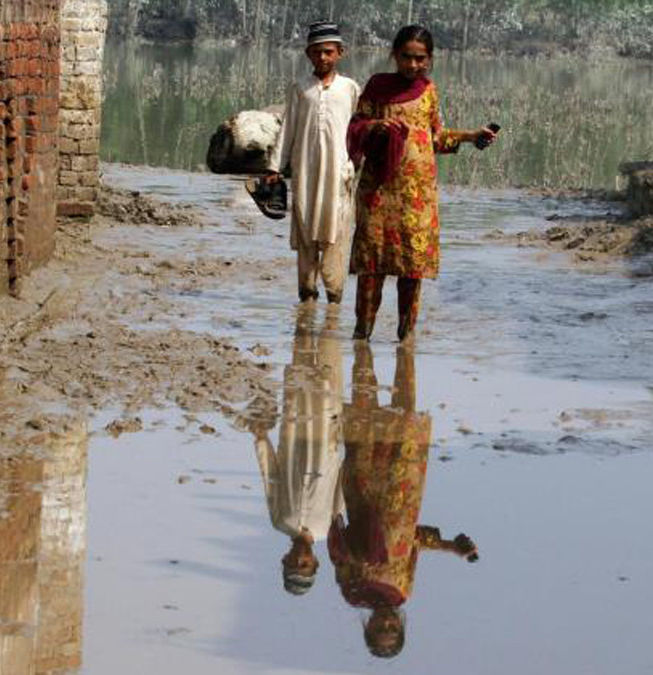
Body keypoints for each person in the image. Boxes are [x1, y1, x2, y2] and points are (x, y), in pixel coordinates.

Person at [347, 25, 499, 342]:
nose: (413, 65)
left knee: (411, 269)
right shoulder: (377, 87)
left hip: (418, 197)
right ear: (394, 54)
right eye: (406, 57)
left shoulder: (428, 91)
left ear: (429, 59)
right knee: (372, 269)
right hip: (379, 192)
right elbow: (355, 128)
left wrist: (471, 137)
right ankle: (362, 337)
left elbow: (436, 138)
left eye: (420, 59)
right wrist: (377, 125)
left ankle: (406, 339)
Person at [329, 343, 479, 658]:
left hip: (365, 487)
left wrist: (362, 560)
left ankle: (363, 342)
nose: (386, 625)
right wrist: (451, 546)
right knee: (406, 409)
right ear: (401, 626)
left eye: (379, 630)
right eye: (392, 630)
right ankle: (405, 346)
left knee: (364, 407)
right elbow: (410, 541)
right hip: (402, 485)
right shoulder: (402, 592)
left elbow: (339, 547)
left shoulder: (353, 591)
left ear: (367, 627)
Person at [265, 21, 362, 304]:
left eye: (328, 52)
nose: (323, 58)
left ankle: (334, 297)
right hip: (305, 173)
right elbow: (288, 130)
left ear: (340, 53)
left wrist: (359, 165)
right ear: (308, 54)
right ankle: (306, 296)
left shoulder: (350, 89)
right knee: (306, 230)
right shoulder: (300, 89)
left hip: (339, 175)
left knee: (337, 232)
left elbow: (360, 130)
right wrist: (274, 167)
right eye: (317, 52)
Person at [252, 307, 346, 595]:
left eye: (292, 564)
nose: (298, 559)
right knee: (329, 363)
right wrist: (351, 445)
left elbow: (272, 479)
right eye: (304, 565)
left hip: (294, 434)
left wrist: (261, 439)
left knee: (301, 362)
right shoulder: (330, 528)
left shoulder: (280, 521)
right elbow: (343, 486)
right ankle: (332, 312)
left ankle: (306, 311)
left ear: (284, 559)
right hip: (327, 436)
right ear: (315, 563)